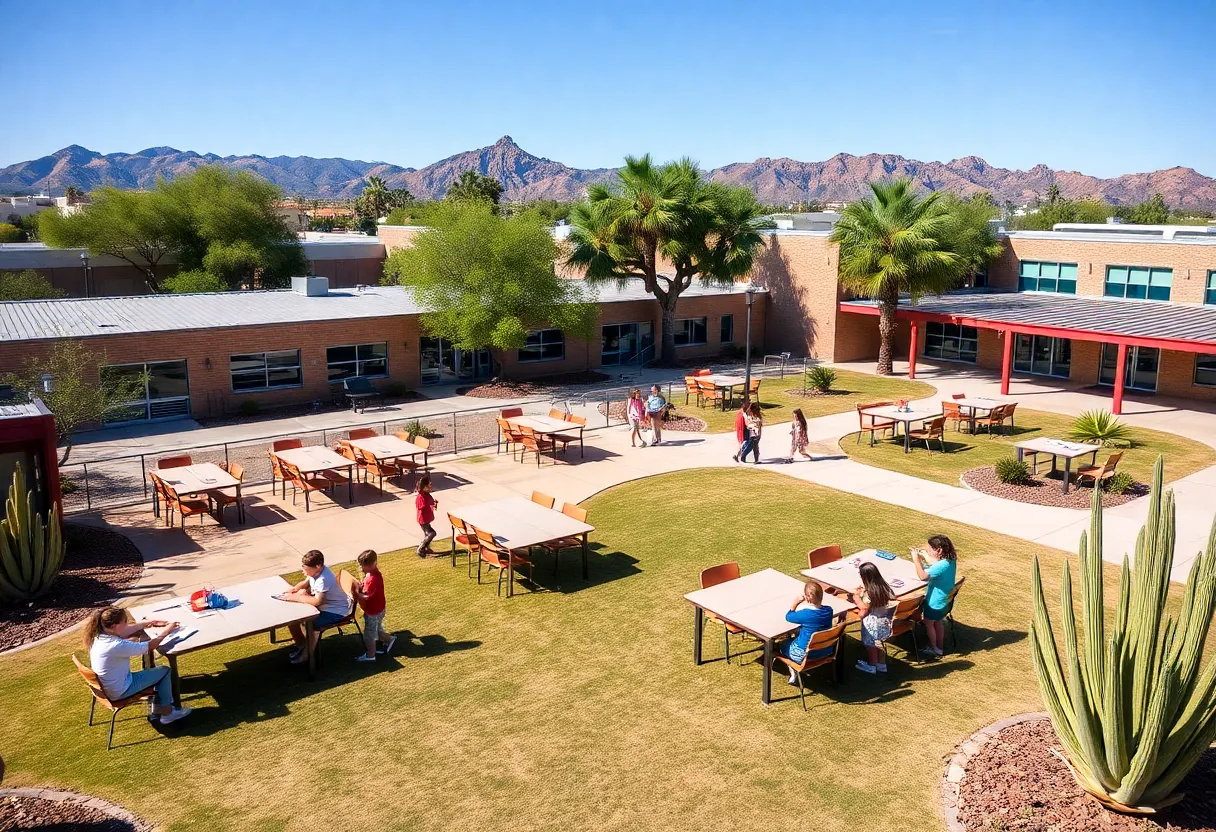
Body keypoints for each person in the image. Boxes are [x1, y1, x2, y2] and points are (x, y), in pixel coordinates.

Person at [84, 607, 192, 724]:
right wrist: (168, 629)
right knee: (164, 671)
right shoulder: (116, 645)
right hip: (121, 690)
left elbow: (126, 630)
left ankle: (157, 709)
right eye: (125, 622)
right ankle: (167, 713)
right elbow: (151, 645)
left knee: (156, 672)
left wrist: (150, 623)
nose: (127, 625)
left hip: (111, 687)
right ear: (114, 626)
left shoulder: (100, 636)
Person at [283, 550, 353, 664]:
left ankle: (307, 655)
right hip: (326, 606)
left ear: (318, 566)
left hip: (336, 611)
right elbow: (305, 583)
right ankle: (302, 645)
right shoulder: (316, 572)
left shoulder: (323, 579)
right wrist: (294, 589)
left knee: (311, 624)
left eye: (306, 569)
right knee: (294, 620)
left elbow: (317, 601)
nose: (303, 571)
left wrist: (297, 597)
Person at [779, 581, 836, 685]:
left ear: (808, 598)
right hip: (825, 650)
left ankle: (793, 668)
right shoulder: (829, 610)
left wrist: (795, 602)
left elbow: (788, 616)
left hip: (804, 655)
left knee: (781, 645)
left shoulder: (806, 614)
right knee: (800, 633)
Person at [912, 535, 958, 658]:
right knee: (938, 622)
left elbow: (923, 576)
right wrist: (925, 557)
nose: (928, 551)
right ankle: (939, 647)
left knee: (928, 623)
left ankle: (934, 648)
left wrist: (916, 560)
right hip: (944, 600)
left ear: (939, 550)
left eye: (930, 549)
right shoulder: (951, 559)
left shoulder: (941, 566)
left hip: (934, 601)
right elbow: (935, 565)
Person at [350, 549, 396, 662]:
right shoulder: (373, 574)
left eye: (363, 566)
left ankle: (370, 655)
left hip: (373, 612)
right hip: (379, 609)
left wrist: (356, 592)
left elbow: (366, 596)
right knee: (377, 630)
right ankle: (389, 639)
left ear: (371, 564)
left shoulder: (372, 579)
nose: (361, 568)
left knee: (369, 635)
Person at [853, 562, 895, 674]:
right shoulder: (884, 587)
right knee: (879, 643)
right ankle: (881, 665)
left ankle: (872, 666)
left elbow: (864, 608)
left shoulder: (869, 594)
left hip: (872, 625)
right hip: (884, 621)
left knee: (870, 645)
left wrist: (857, 598)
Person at [415, 474, 438, 557]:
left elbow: (430, 503)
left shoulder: (426, 495)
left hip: (426, 519)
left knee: (427, 534)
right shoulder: (421, 497)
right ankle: (420, 548)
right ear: (424, 487)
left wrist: (433, 504)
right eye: (429, 486)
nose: (430, 487)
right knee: (431, 533)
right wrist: (428, 504)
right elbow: (420, 506)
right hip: (423, 520)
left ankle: (426, 548)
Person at [731, 396, 751, 462]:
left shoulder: (741, 412)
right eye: (748, 402)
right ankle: (739, 455)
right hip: (743, 429)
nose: (749, 403)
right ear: (744, 404)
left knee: (741, 443)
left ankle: (738, 456)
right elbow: (746, 422)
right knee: (745, 443)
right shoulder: (743, 413)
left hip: (741, 429)